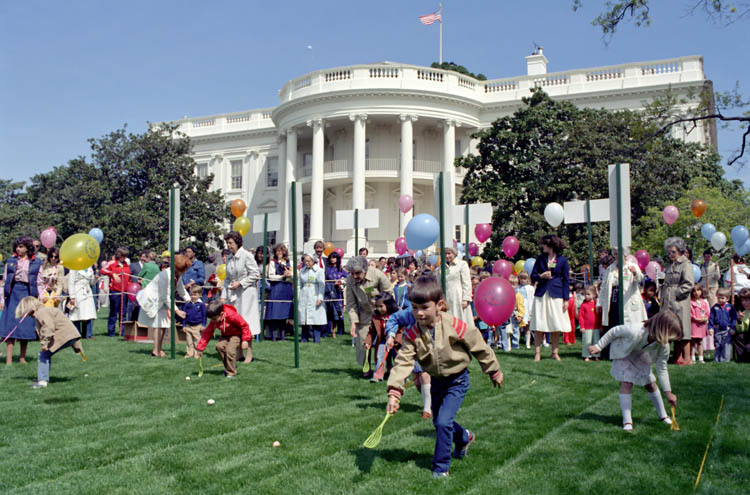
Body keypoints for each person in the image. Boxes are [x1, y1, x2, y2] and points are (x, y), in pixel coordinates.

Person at [385, 276, 504, 478]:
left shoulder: (454, 325)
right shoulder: (412, 333)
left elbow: (478, 345)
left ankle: (441, 468)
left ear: (439, 305)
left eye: (424, 307)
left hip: (457, 380)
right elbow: (403, 362)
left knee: (442, 422)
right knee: (440, 422)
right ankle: (464, 437)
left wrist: (493, 370)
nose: (419, 313)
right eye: (414, 308)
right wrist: (394, 393)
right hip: (435, 382)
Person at [588, 311, 681, 432]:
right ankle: (627, 421)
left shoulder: (663, 345)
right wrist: (599, 346)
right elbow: (614, 331)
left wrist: (668, 392)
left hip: (640, 353)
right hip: (624, 352)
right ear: (661, 330)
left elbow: (662, 368)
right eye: (670, 337)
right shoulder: (634, 330)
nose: (669, 342)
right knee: (627, 382)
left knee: (650, 383)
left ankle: (663, 415)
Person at [14, 296, 86, 389]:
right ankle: (43, 377)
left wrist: (45, 343)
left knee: (43, 355)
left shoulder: (41, 313)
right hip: (70, 336)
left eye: (27, 313)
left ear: (31, 309)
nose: (28, 316)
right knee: (46, 355)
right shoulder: (45, 310)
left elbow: (48, 327)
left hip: (65, 336)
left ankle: (42, 381)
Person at [345, 255, 393, 374]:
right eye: (352, 273)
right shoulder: (350, 280)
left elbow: (389, 293)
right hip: (365, 312)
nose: (354, 276)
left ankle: (390, 366)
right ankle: (366, 367)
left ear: (365, 270)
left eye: (357, 273)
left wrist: (387, 311)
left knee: (387, 340)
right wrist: (353, 322)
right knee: (363, 340)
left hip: (383, 312)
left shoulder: (378, 275)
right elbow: (351, 303)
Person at [136, 254, 190, 357]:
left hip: (161, 301)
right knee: (158, 325)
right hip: (153, 300)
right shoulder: (165, 275)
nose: (185, 271)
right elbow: (166, 297)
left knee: (164, 324)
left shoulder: (177, 275)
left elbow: (181, 290)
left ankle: (159, 349)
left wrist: (192, 301)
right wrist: (177, 310)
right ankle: (156, 350)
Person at [0, 237, 44, 364]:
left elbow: (39, 281)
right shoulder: (11, 261)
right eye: (17, 247)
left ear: (27, 248)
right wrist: (2, 299)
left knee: (24, 325)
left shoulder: (36, 262)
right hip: (13, 293)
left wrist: (41, 295)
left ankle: (22, 357)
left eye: (21, 246)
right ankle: (8, 359)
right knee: (11, 325)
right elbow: (5, 281)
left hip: (27, 293)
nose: (18, 249)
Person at [598, 252, 647, 359]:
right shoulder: (610, 268)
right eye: (615, 254)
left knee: (627, 327)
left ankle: (628, 352)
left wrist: (634, 273)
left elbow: (639, 278)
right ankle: (610, 353)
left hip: (627, 301)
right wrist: (600, 303)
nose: (618, 256)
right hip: (613, 300)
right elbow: (604, 287)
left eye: (619, 253)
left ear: (625, 255)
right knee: (612, 326)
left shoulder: (632, 265)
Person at [529, 235, 571, 361]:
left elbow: (566, 281)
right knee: (539, 324)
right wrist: (541, 276)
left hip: (556, 294)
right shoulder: (540, 258)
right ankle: (537, 352)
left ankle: (555, 352)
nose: (542, 246)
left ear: (551, 246)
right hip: (541, 294)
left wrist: (566, 299)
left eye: (544, 244)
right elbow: (533, 276)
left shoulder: (563, 260)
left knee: (555, 324)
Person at [222, 231, 261, 362]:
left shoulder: (247, 256)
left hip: (247, 294)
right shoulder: (228, 258)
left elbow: (255, 274)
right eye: (227, 243)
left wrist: (240, 283)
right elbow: (227, 278)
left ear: (237, 242)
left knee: (247, 323)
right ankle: (239, 353)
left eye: (230, 243)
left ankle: (249, 353)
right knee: (236, 323)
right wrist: (223, 296)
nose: (228, 245)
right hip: (234, 295)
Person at [659, 237, 694, 365]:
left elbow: (689, 284)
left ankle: (686, 358)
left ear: (680, 251)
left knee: (682, 329)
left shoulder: (686, 264)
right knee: (668, 329)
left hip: (680, 301)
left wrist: (676, 293)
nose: (670, 255)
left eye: (673, 252)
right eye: (669, 252)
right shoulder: (670, 265)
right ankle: (674, 357)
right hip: (667, 301)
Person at [196, 299, 251, 378]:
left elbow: (244, 325)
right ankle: (231, 366)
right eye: (211, 319)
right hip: (225, 335)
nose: (213, 321)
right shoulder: (214, 319)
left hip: (236, 334)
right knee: (219, 346)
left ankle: (231, 373)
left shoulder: (232, 315)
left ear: (221, 314)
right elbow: (207, 333)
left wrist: (245, 340)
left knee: (230, 350)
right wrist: (200, 349)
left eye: (214, 319)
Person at [439, 247, 475, 331]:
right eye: (445, 254)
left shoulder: (462, 264)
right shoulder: (442, 267)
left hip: (458, 297)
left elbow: (466, 282)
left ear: (454, 254)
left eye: (449, 253)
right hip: (446, 298)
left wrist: (465, 298)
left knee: (460, 320)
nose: (447, 256)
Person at [365, 292, 398, 382]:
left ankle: (401, 376)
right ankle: (377, 376)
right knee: (380, 356)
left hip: (396, 341)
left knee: (398, 358)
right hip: (383, 340)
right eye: (377, 306)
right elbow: (371, 331)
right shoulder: (376, 317)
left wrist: (396, 340)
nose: (378, 309)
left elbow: (402, 330)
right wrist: (368, 342)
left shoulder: (397, 315)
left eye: (381, 306)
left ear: (389, 305)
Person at [265, 244, 293, 341]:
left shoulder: (290, 262)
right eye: (277, 251)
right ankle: (273, 336)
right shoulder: (273, 263)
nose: (279, 253)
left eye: (280, 251)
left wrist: (290, 274)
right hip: (277, 288)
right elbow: (271, 277)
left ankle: (282, 336)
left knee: (284, 314)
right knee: (275, 313)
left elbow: (294, 275)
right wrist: (282, 276)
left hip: (287, 289)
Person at [100, 247, 131, 337]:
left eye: (126, 256)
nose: (125, 258)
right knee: (113, 312)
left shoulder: (126, 264)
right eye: (123, 256)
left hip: (124, 292)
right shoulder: (112, 263)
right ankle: (111, 332)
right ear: (119, 255)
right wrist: (112, 274)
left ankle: (123, 332)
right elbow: (103, 270)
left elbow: (128, 277)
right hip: (115, 291)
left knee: (124, 313)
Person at [298, 254, 327, 343]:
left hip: (314, 294)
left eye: (308, 261)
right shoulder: (302, 271)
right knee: (304, 318)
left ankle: (316, 339)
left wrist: (320, 297)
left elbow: (322, 285)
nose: (306, 263)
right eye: (305, 261)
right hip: (304, 295)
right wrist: (298, 295)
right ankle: (304, 338)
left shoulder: (319, 271)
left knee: (316, 319)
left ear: (313, 261)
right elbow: (299, 284)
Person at [67, 266, 96, 339]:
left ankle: (88, 334)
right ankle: (77, 334)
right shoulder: (73, 268)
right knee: (76, 314)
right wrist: (72, 296)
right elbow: (70, 283)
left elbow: (92, 282)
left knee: (89, 314)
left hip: (87, 292)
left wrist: (95, 278)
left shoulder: (89, 267)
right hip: (77, 292)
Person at [708, 287, 736, 363]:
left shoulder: (730, 307)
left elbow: (734, 318)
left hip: (727, 330)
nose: (720, 300)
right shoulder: (715, 307)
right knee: (717, 344)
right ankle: (717, 360)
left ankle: (725, 360)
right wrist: (710, 328)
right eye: (718, 298)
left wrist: (733, 328)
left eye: (722, 298)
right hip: (717, 329)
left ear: (727, 298)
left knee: (726, 345)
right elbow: (711, 318)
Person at [324, 251, 347, 339]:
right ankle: (327, 331)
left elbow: (347, 278)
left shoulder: (341, 269)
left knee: (338, 311)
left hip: (338, 293)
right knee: (329, 311)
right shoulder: (327, 269)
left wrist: (342, 283)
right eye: (331, 257)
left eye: (334, 257)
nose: (333, 259)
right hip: (329, 293)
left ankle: (340, 330)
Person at [500, 274, 525, 351]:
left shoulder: (518, 295)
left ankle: (515, 344)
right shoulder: (504, 293)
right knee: (504, 329)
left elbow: (521, 305)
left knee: (515, 329)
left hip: (515, 313)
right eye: (510, 284)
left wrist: (520, 315)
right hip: (505, 312)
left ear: (516, 285)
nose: (511, 286)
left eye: (513, 284)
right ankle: (505, 345)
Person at [182, 286, 206, 358]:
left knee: (197, 340)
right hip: (188, 325)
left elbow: (204, 315)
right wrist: (184, 325)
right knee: (189, 341)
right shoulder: (187, 304)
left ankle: (197, 354)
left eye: (195, 295)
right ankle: (189, 353)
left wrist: (203, 325)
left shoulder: (201, 305)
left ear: (200, 295)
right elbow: (184, 315)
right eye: (191, 294)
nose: (193, 296)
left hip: (197, 325)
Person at [579, 286, 600, 362]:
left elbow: (599, 316)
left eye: (588, 294)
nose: (586, 296)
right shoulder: (583, 305)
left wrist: (600, 326)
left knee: (596, 341)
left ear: (594, 294)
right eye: (585, 294)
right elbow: (581, 316)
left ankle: (596, 355)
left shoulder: (596, 304)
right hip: (587, 328)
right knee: (587, 342)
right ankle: (586, 355)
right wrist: (582, 327)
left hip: (596, 327)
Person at [690, 285, 710, 363]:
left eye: (698, 290)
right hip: (694, 324)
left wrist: (705, 318)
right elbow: (690, 313)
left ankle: (701, 358)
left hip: (702, 324)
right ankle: (693, 358)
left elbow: (707, 312)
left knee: (700, 341)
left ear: (701, 291)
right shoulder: (690, 302)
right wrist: (694, 318)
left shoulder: (703, 302)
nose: (696, 293)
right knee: (692, 342)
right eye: (694, 291)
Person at [517, 271, 534, 349]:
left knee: (527, 326)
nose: (522, 280)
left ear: (528, 279)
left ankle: (528, 343)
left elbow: (532, 299)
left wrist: (531, 310)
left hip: (527, 307)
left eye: (524, 279)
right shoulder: (517, 288)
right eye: (521, 278)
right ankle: (517, 342)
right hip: (519, 307)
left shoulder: (530, 288)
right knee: (518, 326)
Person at [733, 288, 750, 362]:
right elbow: (741, 330)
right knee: (737, 336)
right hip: (747, 336)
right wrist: (739, 320)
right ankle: (743, 357)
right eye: (742, 300)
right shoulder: (744, 312)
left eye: (746, 300)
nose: (744, 303)